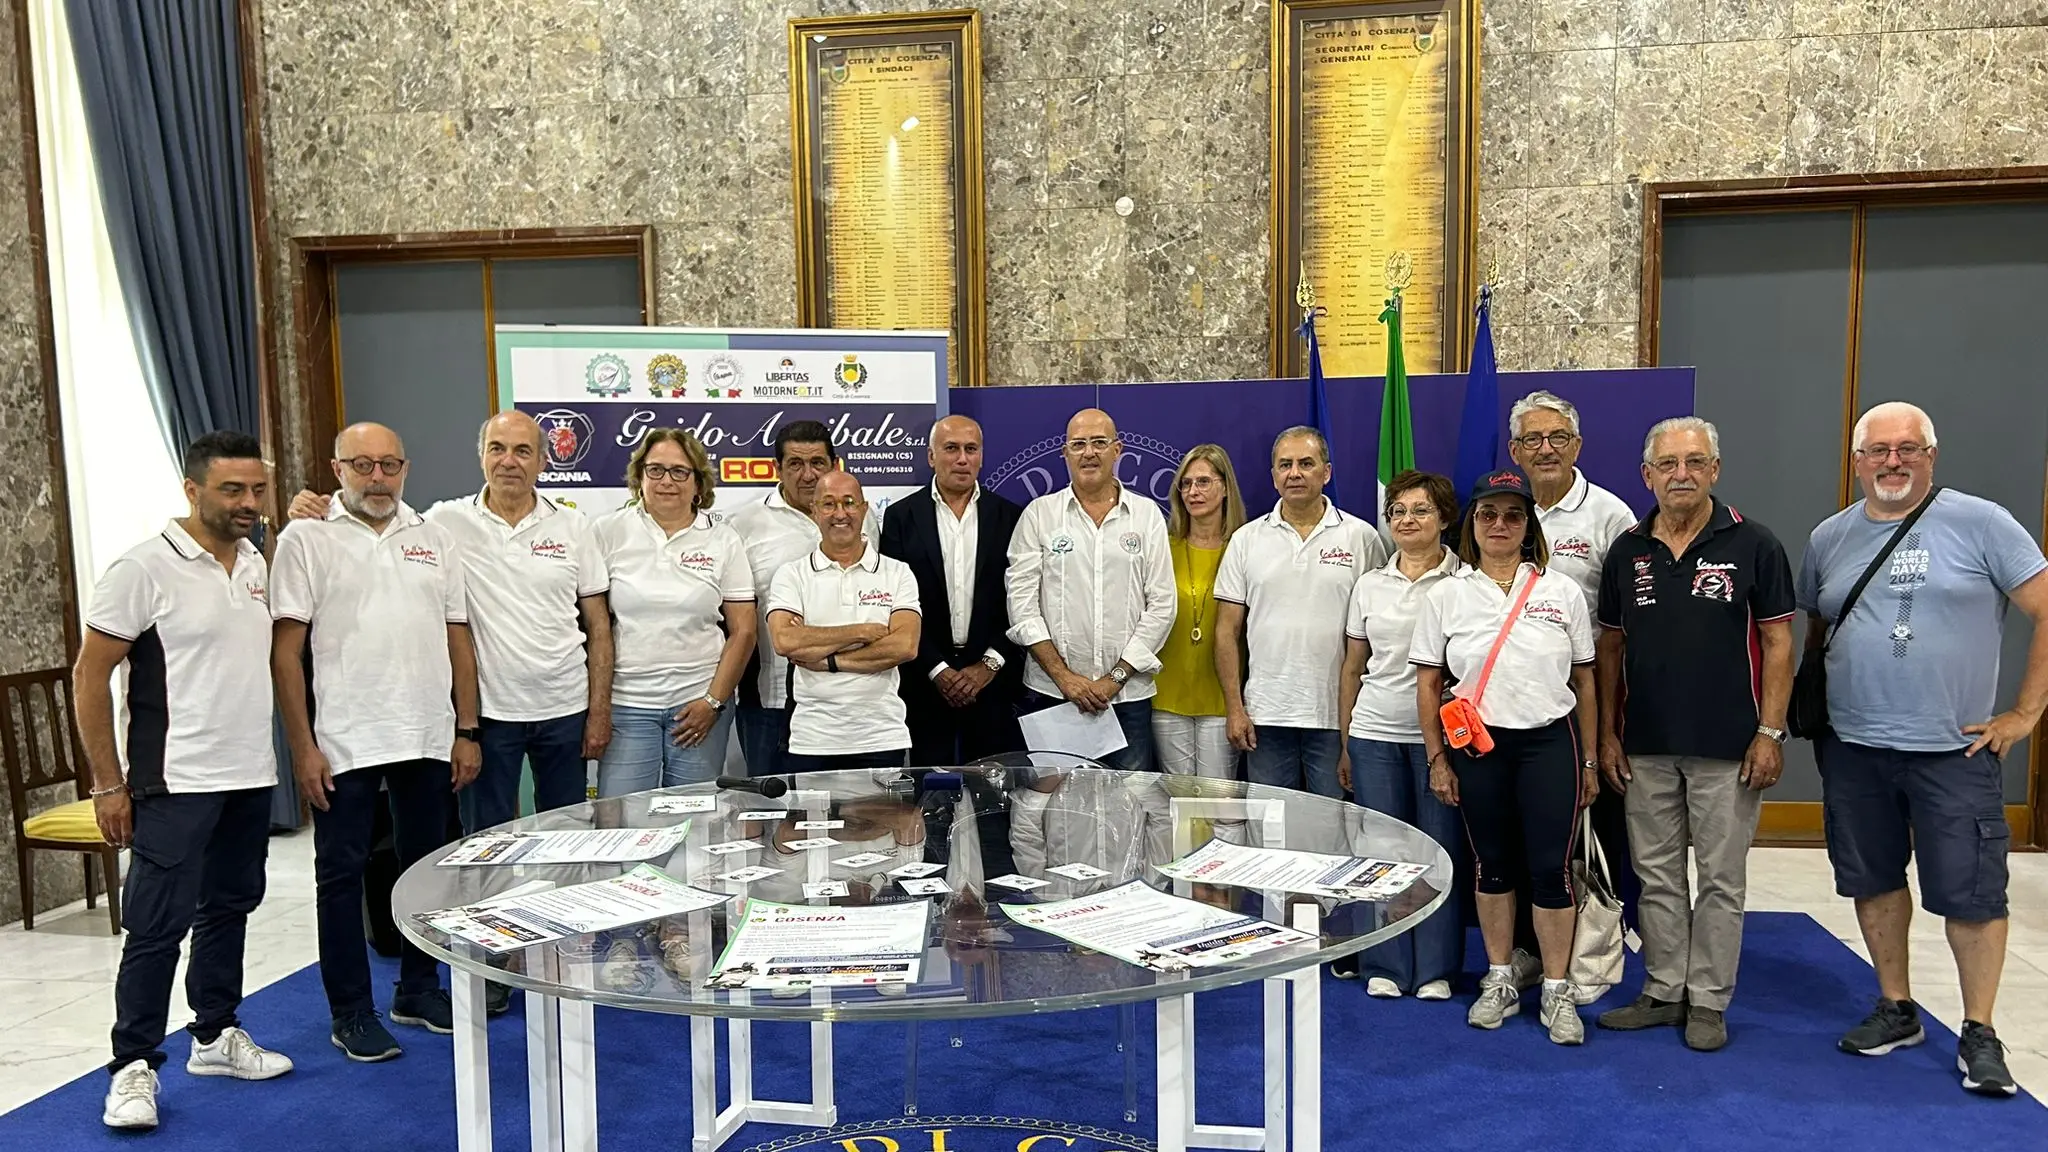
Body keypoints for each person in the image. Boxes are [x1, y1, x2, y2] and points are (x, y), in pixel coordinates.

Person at [1798, 401, 2045, 1097]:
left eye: (1907, 448)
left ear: (1931, 455)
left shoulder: (1983, 523)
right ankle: (1896, 1007)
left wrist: (2025, 713)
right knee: (1872, 879)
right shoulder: (1829, 537)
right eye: (1878, 451)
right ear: (1857, 462)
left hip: (1952, 751)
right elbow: (1817, 631)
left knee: (1972, 894)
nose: (1893, 461)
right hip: (1853, 747)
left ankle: (1980, 1030)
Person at [76, 433, 292, 1130]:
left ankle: (215, 1034)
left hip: (248, 774)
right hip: (173, 780)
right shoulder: (143, 568)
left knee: (229, 907)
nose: (248, 503)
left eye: (256, 489)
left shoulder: (255, 561)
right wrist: (108, 785)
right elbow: (90, 677)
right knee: (155, 926)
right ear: (192, 490)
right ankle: (132, 1066)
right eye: (232, 490)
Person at [290, 411, 611, 831]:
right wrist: (314, 507)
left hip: (566, 707)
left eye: (522, 451)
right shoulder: (443, 522)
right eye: (497, 449)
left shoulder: (574, 526)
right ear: (482, 457)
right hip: (490, 712)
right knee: (487, 839)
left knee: (567, 832)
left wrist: (599, 710)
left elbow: (599, 626)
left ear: (542, 462)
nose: (508, 461)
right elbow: (376, 514)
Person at [271, 422, 482, 1062]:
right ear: (337, 470)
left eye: (390, 465)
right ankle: (350, 1011)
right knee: (340, 877)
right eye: (362, 464)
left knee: (425, 873)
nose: (378, 477)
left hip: (425, 732)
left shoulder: (434, 538)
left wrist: (466, 729)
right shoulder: (305, 538)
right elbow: (285, 653)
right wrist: (303, 748)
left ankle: (418, 990)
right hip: (344, 740)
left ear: (405, 469)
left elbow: (457, 637)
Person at [1593, 418, 1795, 1052]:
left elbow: (1779, 643)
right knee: (1655, 875)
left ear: (1715, 469)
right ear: (1647, 475)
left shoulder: (1754, 543)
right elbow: (1609, 649)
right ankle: (1663, 988)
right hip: (1645, 744)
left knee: (1720, 879)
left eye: (1694, 462)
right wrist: (1607, 735)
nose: (1681, 474)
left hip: (1729, 747)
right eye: (1668, 464)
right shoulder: (1626, 550)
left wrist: (1770, 732)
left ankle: (1708, 999)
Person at [1411, 469, 1598, 1046]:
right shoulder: (1447, 594)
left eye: (1513, 514)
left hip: (1550, 743)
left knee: (1550, 869)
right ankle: (1499, 978)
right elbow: (1428, 683)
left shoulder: (1560, 591)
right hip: (1478, 747)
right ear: (1471, 523)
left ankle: (1558, 988)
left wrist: (1591, 760)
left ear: (1528, 525)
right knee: (1490, 864)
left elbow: (1586, 681)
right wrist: (1438, 759)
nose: (1500, 524)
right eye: (1488, 514)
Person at [1506, 388, 1638, 992]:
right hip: (1508, 707)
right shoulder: (1501, 512)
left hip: (1582, 703)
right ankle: (1527, 951)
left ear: (1578, 445)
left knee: (1587, 832)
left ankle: (1591, 951)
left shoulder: (1610, 515)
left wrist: (1606, 727)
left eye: (1557, 437)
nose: (1546, 449)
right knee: (1520, 834)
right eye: (1532, 439)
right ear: (1515, 450)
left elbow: (1625, 626)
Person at [1336, 469, 1465, 1001]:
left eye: (1421, 510)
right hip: (1374, 733)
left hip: (1442, 742)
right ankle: (1385, 962)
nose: (1408, 520)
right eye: (1398, 512)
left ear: (1445, 518)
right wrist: (1346, 742)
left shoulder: (1466, 582)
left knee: (1438, 853)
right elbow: (1352, 667)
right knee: (1382, 854)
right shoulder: (1370, 583)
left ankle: (1434, 968)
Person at [1216, 426, 1388, 796]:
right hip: (1265, 713)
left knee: (1331, 822)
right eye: (1285, 465)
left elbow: (1379, 631)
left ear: (1326, 472)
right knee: (1271, 823)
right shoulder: (1246, 540)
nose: (1294, 473)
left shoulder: (1361, 537)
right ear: (1273, 475)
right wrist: (1235, 708)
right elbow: (1227, 632)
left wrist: (1356, 719)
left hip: (1336, 715)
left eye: (1306, 464)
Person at [1006, 408, 1175, 772]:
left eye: (1099, 442)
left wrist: (1115, 679)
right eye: (1078, 444)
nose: (1089, 453)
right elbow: (1021, 606)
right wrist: (1065, 679)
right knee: (1054, 798)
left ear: (1117, 450)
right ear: (1065, 453)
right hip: (1053, 695)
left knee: (1128, 798)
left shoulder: (1146, 516)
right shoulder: (1038, 515)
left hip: (1127, 697)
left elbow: (1163, 604)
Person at [591, 429, 755, 795]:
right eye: (656, 470)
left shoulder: (723, 539)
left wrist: (712, 702)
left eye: (680, 471)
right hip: (628, 705)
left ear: (698, 482)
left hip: (699, 705)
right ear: (640, 477)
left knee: (695, 819)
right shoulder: (607, 532)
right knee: (623, 818)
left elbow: (744, 631)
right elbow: (594, 624)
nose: (667, 481)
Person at [729, 420, 878, 776]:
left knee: (858, 806)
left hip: (856, 695)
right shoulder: (743, 525)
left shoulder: (864, 518)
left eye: (817, 463)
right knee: (772, 805)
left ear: (835, 465)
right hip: (772, 703)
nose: (808, 475)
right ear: (777, 468)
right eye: (795, 464)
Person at [880, 415, 1027, 764]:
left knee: (993, 790)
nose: (962, 459)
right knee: (932, 790)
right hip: (924, 681)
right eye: (951, 448)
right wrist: (938, 670)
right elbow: (894, 602)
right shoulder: (901, 517)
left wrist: (988, 665)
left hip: (993, 681)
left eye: (971, 449)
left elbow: (1021, 602)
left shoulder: (1011, 516)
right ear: (931, 456)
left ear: (981, 456)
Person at [766, 471, 922, 771]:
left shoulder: (897, 572)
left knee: (882, 809)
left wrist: (829, 661)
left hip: (880, 737)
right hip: (812, 739)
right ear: (814, 511)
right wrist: (861, 632)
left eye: (849, 503)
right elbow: (786, 641)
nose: (840, 514)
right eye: (828, 504)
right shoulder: (791, 574)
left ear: (864, 509)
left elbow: (904, 646)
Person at [1152, 445, 1248, 781]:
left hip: (1222, 700)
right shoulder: (1163, 548)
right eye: (1186, 483)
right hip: (1167, 695)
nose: (1194, 491)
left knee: (1217, 800)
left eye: (1204, 482)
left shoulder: (1243, 548)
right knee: (1179, 800)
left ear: (1225, 487)